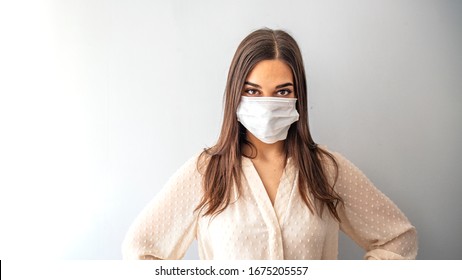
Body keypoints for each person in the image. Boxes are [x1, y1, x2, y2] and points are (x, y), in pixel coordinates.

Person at [122, 28, 418, 260]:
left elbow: (398, 240)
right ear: (236, 95)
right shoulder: (205, 173)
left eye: (282, 91)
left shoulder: (328, 170)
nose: (268, 104)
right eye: (253, 91)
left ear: (297, 96)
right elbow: (141, 250)